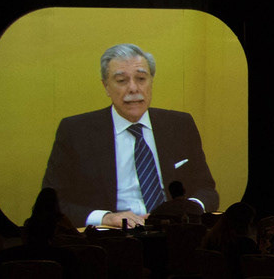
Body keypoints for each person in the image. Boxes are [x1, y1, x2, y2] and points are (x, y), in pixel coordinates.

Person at [41, 43, 218, 227]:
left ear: (151, 81)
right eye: (121, 81)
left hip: (173, 229)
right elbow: (51, 203)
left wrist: (188, 208)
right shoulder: (76, 131)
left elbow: (206, 189)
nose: (133, 88)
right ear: (106, 86)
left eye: (141, 79)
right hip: (113, 234)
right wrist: (105, 218)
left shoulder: (180, 125)